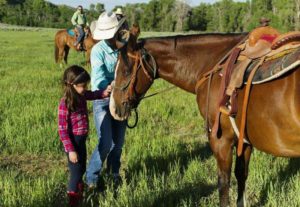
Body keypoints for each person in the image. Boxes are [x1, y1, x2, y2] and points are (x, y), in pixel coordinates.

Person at [58, 65, 110, 206]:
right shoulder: (65, 103)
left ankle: (79, 194)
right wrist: (71, 150)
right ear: (71, 84)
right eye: (82, 86)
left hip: (81, 141)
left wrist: (104, 93)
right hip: (73, 143)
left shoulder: (82, 94)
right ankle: (73, 200)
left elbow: (93, 94)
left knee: (81, 169)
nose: (84, 88)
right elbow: (62, 130)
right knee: (75, 173)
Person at [86, 11, 126, 190]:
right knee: (105, 142)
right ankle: (91, 178)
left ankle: (114, 173)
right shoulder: (97, 51)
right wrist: (113, 86)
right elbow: (99, 78)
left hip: (121, 98)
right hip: (103, 98)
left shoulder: (124, 48)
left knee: (118, 143)